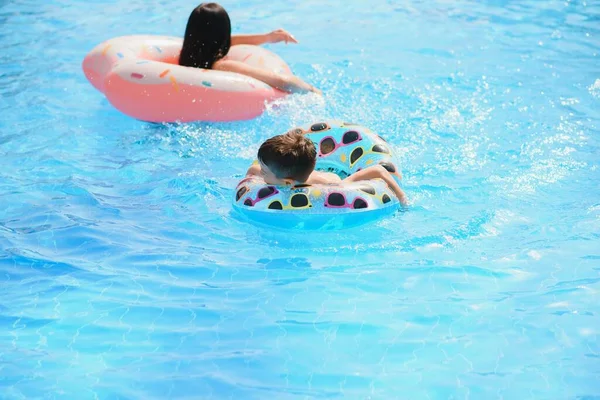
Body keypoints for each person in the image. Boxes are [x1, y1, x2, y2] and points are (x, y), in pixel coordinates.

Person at [179, 3, 320, 95]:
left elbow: (223, 41)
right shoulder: (223, 66)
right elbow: (282, 81)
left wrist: (267, 37)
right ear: (224, 31)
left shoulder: (187, 55)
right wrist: (312, 90)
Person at [245, 132, 408, 206]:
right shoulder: (276, 176)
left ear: (287, 182)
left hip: (333, 179)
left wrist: (401, 197)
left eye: (265, 172)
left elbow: (378, 171)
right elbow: (253, 170)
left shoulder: (331, 187)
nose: (261, 172)